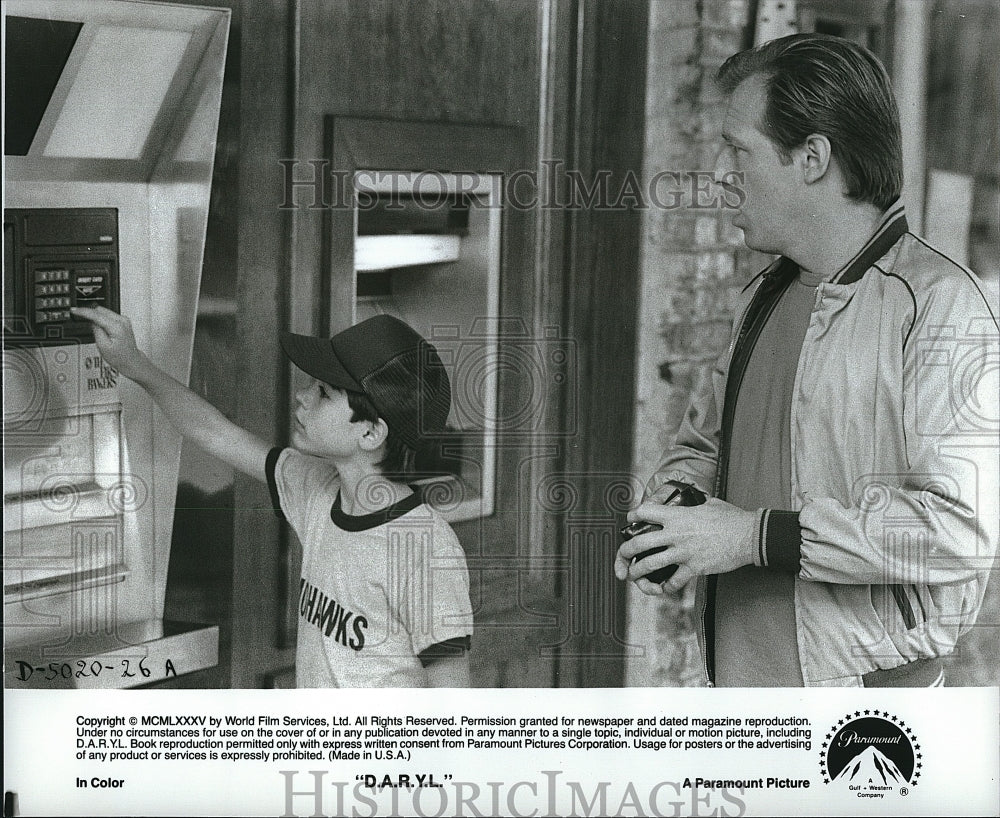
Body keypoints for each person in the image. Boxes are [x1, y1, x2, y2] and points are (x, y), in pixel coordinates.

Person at [615, 33, 999, 687]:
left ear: (812, 157)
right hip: (744, 692)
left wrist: (748, 537)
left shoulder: (940, 307)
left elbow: (959, 531)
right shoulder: (762, 298)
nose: (718, 173)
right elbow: (707, 443)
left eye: (738, 150)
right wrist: (679, 504)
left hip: (869, 712)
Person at [74, 307, 473, 688]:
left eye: (324, 393)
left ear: (370, 433)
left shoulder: (422, 549)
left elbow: (450, 710)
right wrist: (133, 363)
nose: (302, 396)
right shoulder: (318, 488)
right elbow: (217, 433)